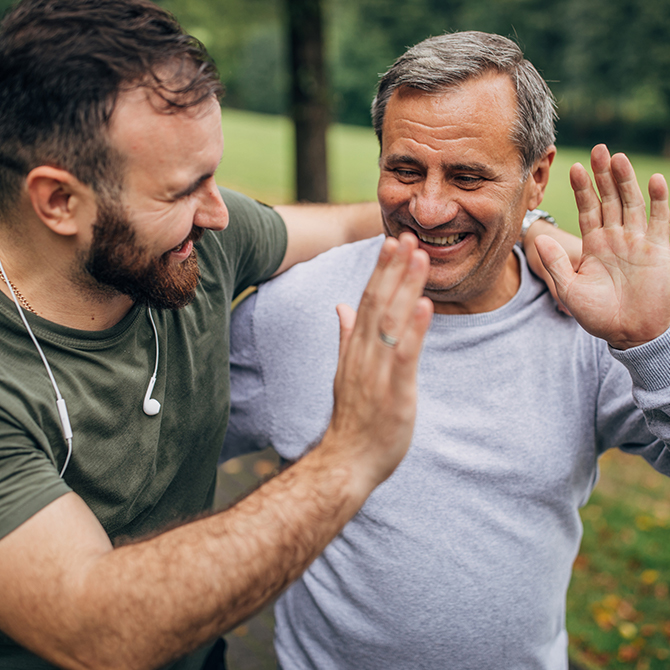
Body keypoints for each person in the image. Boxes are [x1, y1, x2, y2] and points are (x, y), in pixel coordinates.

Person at [0, 1, 438, 668]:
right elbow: (93, 629)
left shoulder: (198, 241)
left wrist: (522, 222)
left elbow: (354, 225)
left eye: (214, 176)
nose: (218, 211)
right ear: (59, 201)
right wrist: (348, 457)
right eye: (182, 190)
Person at [225, 31, 670, 669]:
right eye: (405, 169)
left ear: (535, 177)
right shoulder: (294, 309)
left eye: (467, 176)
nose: (429, 209)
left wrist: (651, 340)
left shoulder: (589, 326)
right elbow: (166, 458)